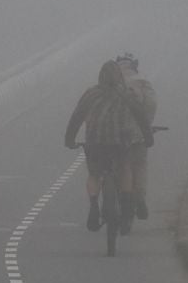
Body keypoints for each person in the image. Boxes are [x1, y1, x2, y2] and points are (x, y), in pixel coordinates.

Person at [64, 60, 152, 233]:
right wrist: (148, 138)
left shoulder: (91, 94)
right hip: (121, 143)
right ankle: (127, 209)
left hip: (95, 142)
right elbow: (141, 116)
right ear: (119, 77)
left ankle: (94, 206)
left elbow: (77, 117)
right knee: (125, 168)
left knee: (94, 174)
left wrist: (69, 140)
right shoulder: (127, 94)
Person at [115, 51, 157, 220]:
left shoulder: (109, 82)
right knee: (139, 164)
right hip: (137, 132)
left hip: (113, 134)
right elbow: (152, 103)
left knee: (118, 165)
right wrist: (147, 123)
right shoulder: (141, 80)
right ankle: (139, 198)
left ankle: (118, 197)